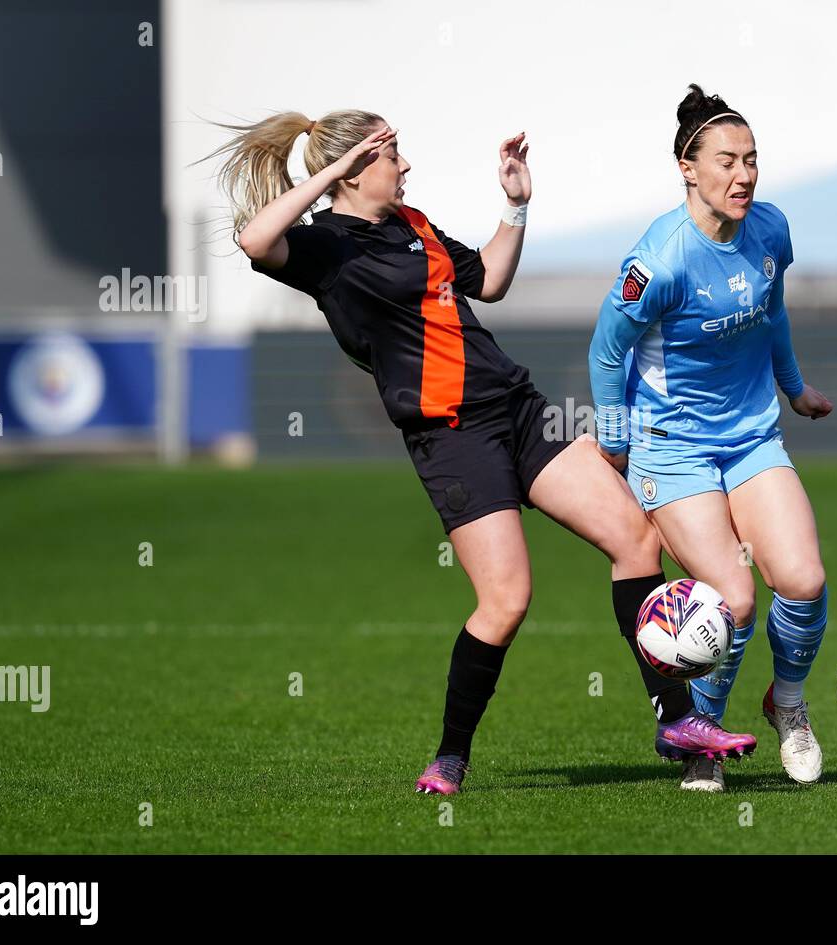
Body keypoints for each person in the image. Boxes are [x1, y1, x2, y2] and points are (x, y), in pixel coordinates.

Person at [208, 108, 757, 795]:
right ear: (352, 170)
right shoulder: (323, 246)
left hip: (520, 410)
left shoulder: (414, 225)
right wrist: (331, 173)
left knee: (636, 540)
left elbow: (488, 280)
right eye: (392, 156)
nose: (405, 166)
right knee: (506, 600)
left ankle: (676, 722)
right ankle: (450, 756)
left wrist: (515, 205)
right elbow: (257, 241)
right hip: (450, 436)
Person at [589, 86, 833, 793]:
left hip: (752, 437)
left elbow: (771, 310)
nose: (745, 175)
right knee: (732, 598)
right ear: (686, 169)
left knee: (804, 580)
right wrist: (614, 443)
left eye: (752, 160)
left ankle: (787, 702)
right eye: (727, 160)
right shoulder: (659, 259)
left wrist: (793, 386)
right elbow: (608, 351)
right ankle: (703, 739)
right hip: (673, 447)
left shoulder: (770, 230)